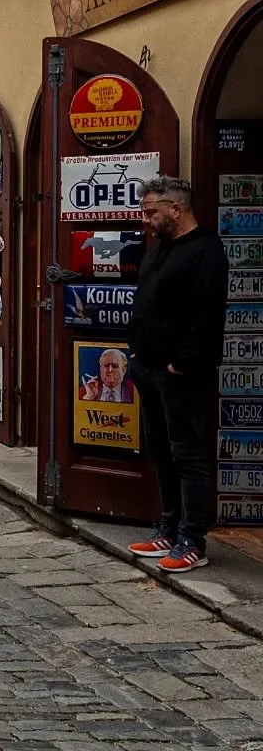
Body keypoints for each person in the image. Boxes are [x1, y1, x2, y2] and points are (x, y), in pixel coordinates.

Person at [127, 176, 227, 573]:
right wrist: (136, 355)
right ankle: (168, 527)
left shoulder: (206, 250)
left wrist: (182, 361)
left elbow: (208, 314)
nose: (145, 219)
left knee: (187, 454)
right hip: (148, 367)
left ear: (176, 208)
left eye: (151, 211)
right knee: (162, 451)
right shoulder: (158, 251)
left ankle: (193, 539)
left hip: (181, 372)